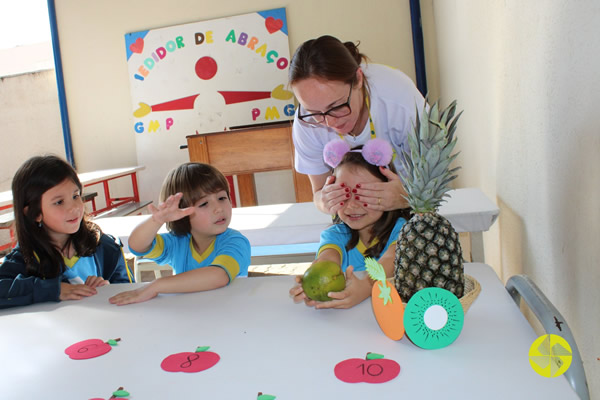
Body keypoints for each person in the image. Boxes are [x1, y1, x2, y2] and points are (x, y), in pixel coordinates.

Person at [289, 35, 426, 216]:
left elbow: (435, 178)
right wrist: (325, 201)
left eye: (336, 106)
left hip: (415, 209)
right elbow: (318, 193)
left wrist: (406, 195)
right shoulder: (306, 123)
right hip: (353, 218)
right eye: (314, 113)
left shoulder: (400, 100)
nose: (330, 122)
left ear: (358, 79)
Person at [289, 139, 410, 309]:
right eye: (343, 194)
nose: (352, 205)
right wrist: (313, 283)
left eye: (364, 194)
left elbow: (392, 259)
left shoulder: (403, 230)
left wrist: (366, 287)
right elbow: (328, 258)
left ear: (389, 192)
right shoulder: (336, 235)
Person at [109, 162, 251, 305]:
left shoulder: (236, 242)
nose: (218, 209)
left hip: (231, 319)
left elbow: (218, 276)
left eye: (221, 198)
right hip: (190, 316)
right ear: (181, 214)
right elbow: (137, 246)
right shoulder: (178, 242)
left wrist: (157, 285)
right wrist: (156, 221)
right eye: (204, 204)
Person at [0, 156, 131, 309]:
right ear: (34, 213)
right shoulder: (26, 257)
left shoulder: (106, 247)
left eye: (76, 196)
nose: (74, 207)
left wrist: (109, 289)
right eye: (59, 202)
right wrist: (53, 289)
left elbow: (129, 290)